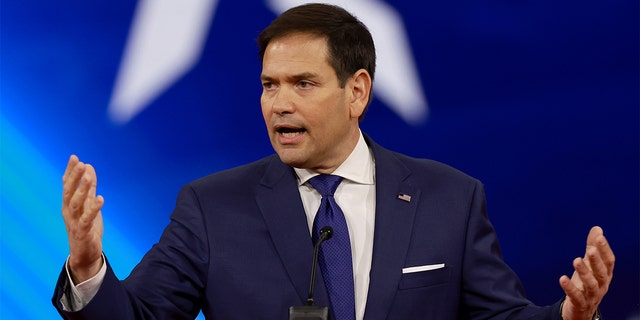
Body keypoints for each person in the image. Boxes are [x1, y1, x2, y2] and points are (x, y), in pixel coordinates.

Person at [52, 3, 614, 320]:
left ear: (357, 93)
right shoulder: (210, 208)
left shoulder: (450, 198)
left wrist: (568, 318)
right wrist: (87, 266)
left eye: (303, 83)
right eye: (269, 85)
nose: (280, 103)